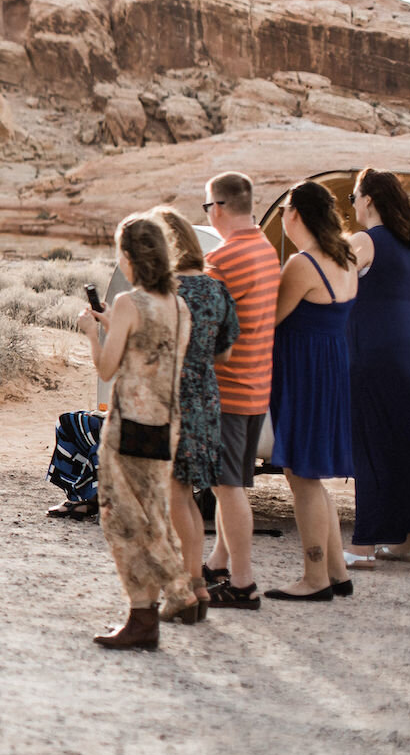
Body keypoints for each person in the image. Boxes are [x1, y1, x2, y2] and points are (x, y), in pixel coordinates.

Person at [77, 214, 196, 649]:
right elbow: (153, 351)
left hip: (128, 426)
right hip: (166, 424)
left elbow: (108, 368)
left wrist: (93, 332)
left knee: (122, 520)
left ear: (128, 258)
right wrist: (114, 327)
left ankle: (168, 598)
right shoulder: (178, 307)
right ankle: (148, 615)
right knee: (153, 513)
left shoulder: (129, 302)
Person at [344, 169, 410, 567]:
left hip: (375, 347)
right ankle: (407, 542)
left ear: (369, 199)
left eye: (354, 196)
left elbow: (333, 282)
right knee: (408, 440)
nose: (351, 203)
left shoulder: (364, 241)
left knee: (372, 441)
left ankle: (364, 546)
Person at [265, 182, 358, 601]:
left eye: (285, 208)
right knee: (313, 476)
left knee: (302, 476)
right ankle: (336, 572)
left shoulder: (302, 264)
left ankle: (314, 577)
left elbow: (272, 321)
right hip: (331, 369)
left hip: (304, 373)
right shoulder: (346, 258)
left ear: (296, 214)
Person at [153, 207, 239, 617]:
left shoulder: (164, 292)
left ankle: (187, 587)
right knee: (188, 493)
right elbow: (226, 350)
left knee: (174, 494)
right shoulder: (215, 289)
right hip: (205, 397)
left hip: (170, 399)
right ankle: (197, 585)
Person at [200, 171, 280, 612]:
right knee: (234, 486)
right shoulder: (266, 250)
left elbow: (207, 325)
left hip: (228, 388)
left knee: (226, 486)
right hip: (256, 385)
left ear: (220, 207)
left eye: (208, 207)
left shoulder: (226, 259)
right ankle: (218, 563)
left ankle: (244, 583)